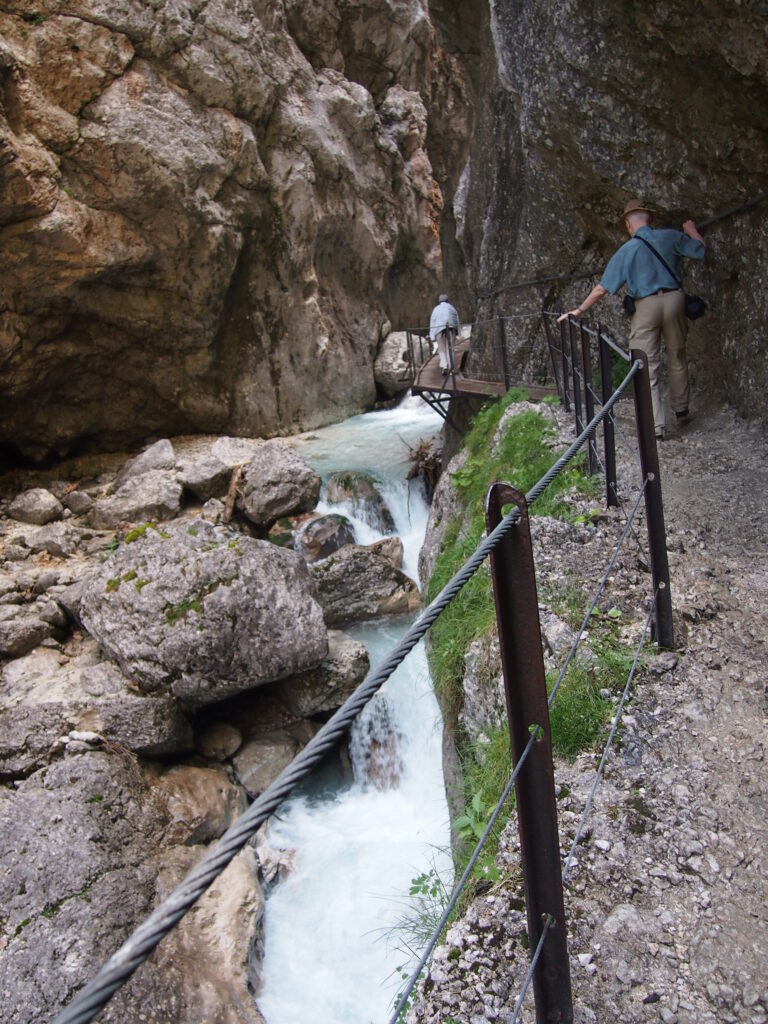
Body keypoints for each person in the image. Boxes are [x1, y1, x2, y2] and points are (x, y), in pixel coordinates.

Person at [559, 198, 706, 439]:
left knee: (646, 365)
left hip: (646, 306)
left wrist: (578, 310)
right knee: (677, 355)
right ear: (649, 219)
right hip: (675, 300)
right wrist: (692, 231)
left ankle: (656, 427)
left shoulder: (626, 251)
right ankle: (681, 411)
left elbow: (602, 288)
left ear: (628, 224)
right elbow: (699, 250)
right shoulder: (670, 236)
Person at [429, 293, 460, 375]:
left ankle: (444, 366)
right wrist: (458, 332)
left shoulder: (435, 309)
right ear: (447, 300)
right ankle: (451, 369)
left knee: (441, 350)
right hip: (450, 330)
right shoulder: (451, 308)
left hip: (439, 331)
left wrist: (432, 336)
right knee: (450, 349)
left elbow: (432, 322)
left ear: (439, 301)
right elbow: (457, 319)